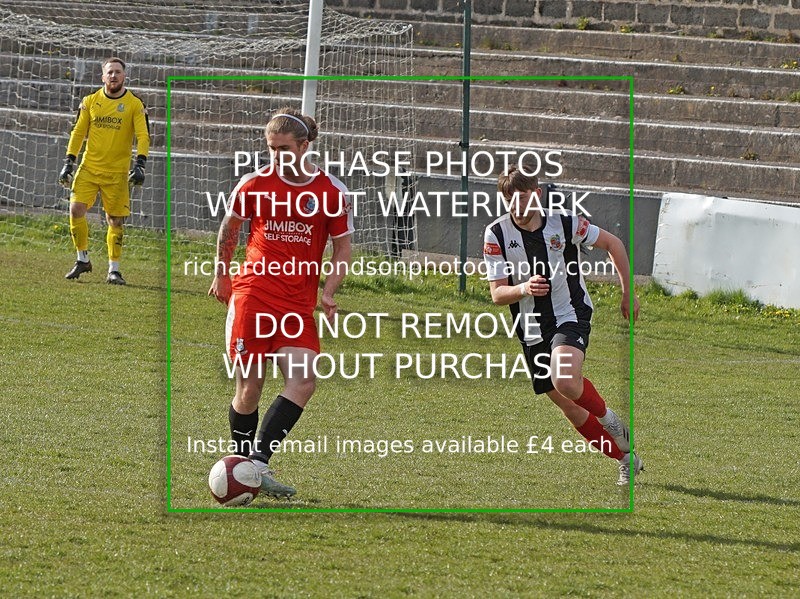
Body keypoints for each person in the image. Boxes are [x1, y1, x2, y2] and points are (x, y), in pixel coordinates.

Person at [209, 107, 353, 498]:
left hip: (298, 304)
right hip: (254, 294)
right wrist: (222, 272)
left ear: (304, 146)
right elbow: (230, 227)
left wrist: (329, 290)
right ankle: (245, 467)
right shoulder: (254, 184)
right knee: (249, 388)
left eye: (284, 148)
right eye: (271, 149)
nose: (276, 156)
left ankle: (254, 467)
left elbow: (342, 248)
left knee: (304, 382)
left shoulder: (331, 191)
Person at [483, 167, 643, 485]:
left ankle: (610, 419)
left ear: (538, 195)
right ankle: (626, 458)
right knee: (569, 407)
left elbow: (614, 244)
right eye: (510, 199)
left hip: (570, 313)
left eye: (524, 197)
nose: (518, 205)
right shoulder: (496, 234)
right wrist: (524, 289)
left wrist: (628, 293)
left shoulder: (565, 222)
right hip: (530, 326)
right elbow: (498, 294)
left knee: (566, 381)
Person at [59, 57, 150, 285]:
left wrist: (140, 164)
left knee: (115, 221)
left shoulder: (135, 104)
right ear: (103, 77)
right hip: (89, 168)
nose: (113, 76)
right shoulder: (90, 101)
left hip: (117, 174)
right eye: (110, 72)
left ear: (124, 76)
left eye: (117, 72)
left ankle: (114, 270)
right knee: (75, 209)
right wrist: (69, 161)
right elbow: (78, 132)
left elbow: (143, 135)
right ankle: (82, 259)